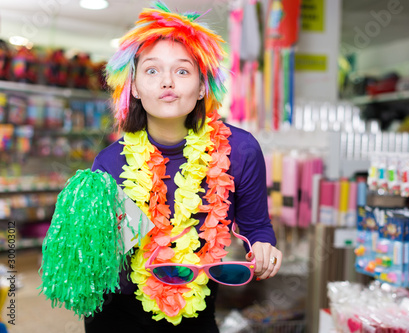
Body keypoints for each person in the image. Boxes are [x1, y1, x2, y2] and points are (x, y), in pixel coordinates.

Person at [85, 1, 281, 332]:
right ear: (133, 86)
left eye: (182, 70)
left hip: (197, 314)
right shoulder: (108, 164)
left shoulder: (241, 151)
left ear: (203, 85)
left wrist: (263, 246)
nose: (167, 82)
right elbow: (96, 258)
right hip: (117, 317)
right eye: (151, 70)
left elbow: (256, 227)